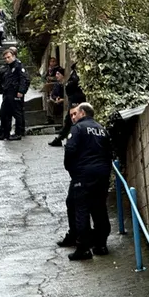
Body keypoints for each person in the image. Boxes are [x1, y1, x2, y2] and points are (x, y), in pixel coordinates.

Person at [61, 103, 112, 261]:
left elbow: (70, 150)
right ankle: (101, 244)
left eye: (75, 114)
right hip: (102, 174)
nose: (73, 117)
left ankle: (83, 248)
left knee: (81, 209)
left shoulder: (78, 128)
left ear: (83, 113)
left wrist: (72, 170)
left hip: (84, 174)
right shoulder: (102, 129)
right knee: (99, 208)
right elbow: (109, 152)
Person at [0, 49, 30, 141]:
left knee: (17, 113)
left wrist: (21, 91)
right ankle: (5, 133)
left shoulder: (18, 66)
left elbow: (24, 79)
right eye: (5, 58)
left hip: (15, 93)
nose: (7, 59)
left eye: (8, 57)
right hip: (7, 93)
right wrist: (2, 90)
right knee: (3, 113)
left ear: (13, 56)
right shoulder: (8, 67)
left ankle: (18, 133)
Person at [49, 62, 87, 147]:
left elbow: (71, 85)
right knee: (70, 120)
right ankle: (61, 139)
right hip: (74, 99)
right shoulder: (75, 75)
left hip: (76, 100)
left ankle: (64, 139)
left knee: (72, 120)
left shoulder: (75, 76)